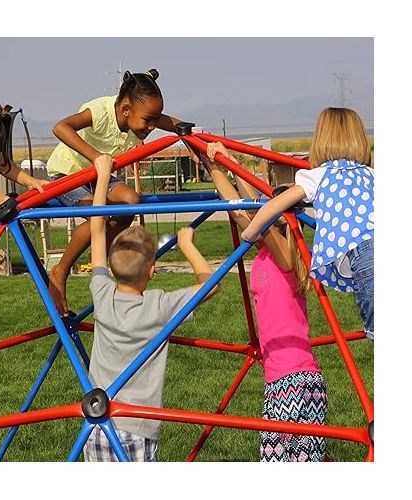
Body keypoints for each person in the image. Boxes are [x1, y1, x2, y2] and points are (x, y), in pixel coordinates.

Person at [83, 154, 219, 462]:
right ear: (152, 271)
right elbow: (212, 285)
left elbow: (96, 232)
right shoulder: (160, 305)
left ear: (111, 269)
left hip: (96, 426)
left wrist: (102, 177)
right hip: (138, 426)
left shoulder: (101, 294)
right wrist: (188, 246)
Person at [202, 141, 327, 462]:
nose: (260, 210)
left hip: (295, 383)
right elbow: (237, 205)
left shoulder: (286, 256)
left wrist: (225, 162)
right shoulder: (268, 251)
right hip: (283, 381)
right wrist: (217, 164)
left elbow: (248, 207)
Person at [46, 69, 196, 316]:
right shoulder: (102, 112)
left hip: (97, 176)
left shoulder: (136, 116)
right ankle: (60, 270)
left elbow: (166, 121)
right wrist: (96, 158)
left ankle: (102, 258)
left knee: (131, 201)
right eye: (148, 120)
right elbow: (61, 127)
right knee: (100, 217)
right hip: (67, 175)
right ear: (126, 109)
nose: (152, 127)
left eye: (154, 121)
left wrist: (184, 131)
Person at [241, 107, 374, 341]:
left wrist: (250, 233)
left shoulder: (319, 176)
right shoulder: (372, 175)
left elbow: (272, 207)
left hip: (368, 257)